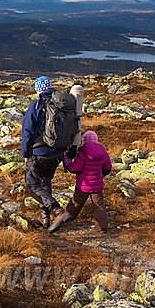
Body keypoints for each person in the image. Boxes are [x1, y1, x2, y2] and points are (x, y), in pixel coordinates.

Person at [20, 76, 71, 229]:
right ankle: (45, 218)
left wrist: (26, 154)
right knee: (45, 181)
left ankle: (57, 209)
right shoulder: (62, 105)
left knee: (32, 184)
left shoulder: (37, 106)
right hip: (58, 154)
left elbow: (27, 132)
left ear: (38, 90)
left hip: (40, 153)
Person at [48, 130, 112, 234]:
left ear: (84, 141)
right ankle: (102, 228)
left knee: (75, 204)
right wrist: (100, 176)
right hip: (97, 186)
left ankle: (64, 220)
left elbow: (75, 169)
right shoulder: (103, 153)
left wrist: (67, 160)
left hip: (83, 185)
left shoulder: (82, 153)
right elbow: (108, 168)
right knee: (99, 205)